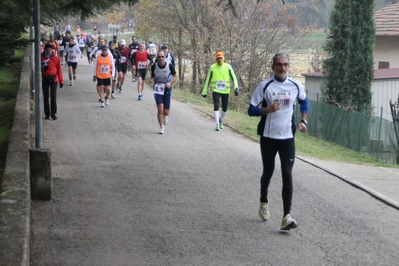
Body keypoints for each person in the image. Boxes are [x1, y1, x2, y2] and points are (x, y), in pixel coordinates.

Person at [247, 53, 309, 231]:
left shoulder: (295, 85)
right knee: (268, 171)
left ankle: (286, 216)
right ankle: (264, 201)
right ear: (273, 66)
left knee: (287, 175)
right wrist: (267, 109)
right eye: (279, 65)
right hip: (268, 138)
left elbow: (305, 102)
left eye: (286, 65)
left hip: (287, 138)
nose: (283, 68)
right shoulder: (265, 85)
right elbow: (251, 110)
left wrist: (304, 120)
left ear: (289, 67)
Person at [201, 51, 239, 131]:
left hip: (225, 90)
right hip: (216, 90)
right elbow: (207, 80)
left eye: (221, 58)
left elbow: (234, 78)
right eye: (218, 58)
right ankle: (217, 124)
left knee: (225, 108)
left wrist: (236, 88)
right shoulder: (212, 67)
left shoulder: (228, 67)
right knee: (216, 105)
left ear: (223, 58)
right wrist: (204, 91)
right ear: (216, 59)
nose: (219, 59)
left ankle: (221, 119)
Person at [150, 50, 177, 134]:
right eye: (159, 57)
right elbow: (152, 75)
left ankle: (165, 116)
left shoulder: (169, 66)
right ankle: (161, 127)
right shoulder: (154, 66)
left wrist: (170, 82)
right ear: (157, 58)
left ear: (165, 57)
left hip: (167, 88)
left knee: (166, 111)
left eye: (162, 57)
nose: (161, 58)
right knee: (160, 108)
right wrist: (151, 79)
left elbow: (175, 75)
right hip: (158, 89)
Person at [41, 43, 64, 120]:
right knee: (45, 96)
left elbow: (59, 70)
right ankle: (47, 113)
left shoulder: (55, 58)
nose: (49, 51)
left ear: (52, 50)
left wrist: (61, 81)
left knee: (53, 96)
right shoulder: (41, 57)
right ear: (45, 49)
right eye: (47, 49)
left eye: (50, 50)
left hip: (54, 79)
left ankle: (53, 113)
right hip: (44, 79)